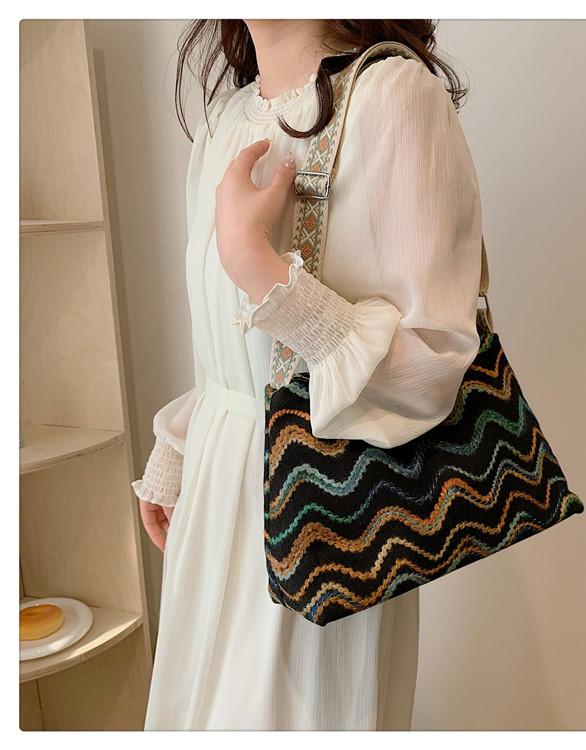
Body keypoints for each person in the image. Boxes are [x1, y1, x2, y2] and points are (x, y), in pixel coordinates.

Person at [131, 19, 484, 730]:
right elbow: (230, 353)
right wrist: (179, 447)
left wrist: (258, 266)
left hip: (323, 517)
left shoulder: (393, 97)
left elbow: (430, 369)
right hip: (215, 508)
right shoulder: (225, 121)